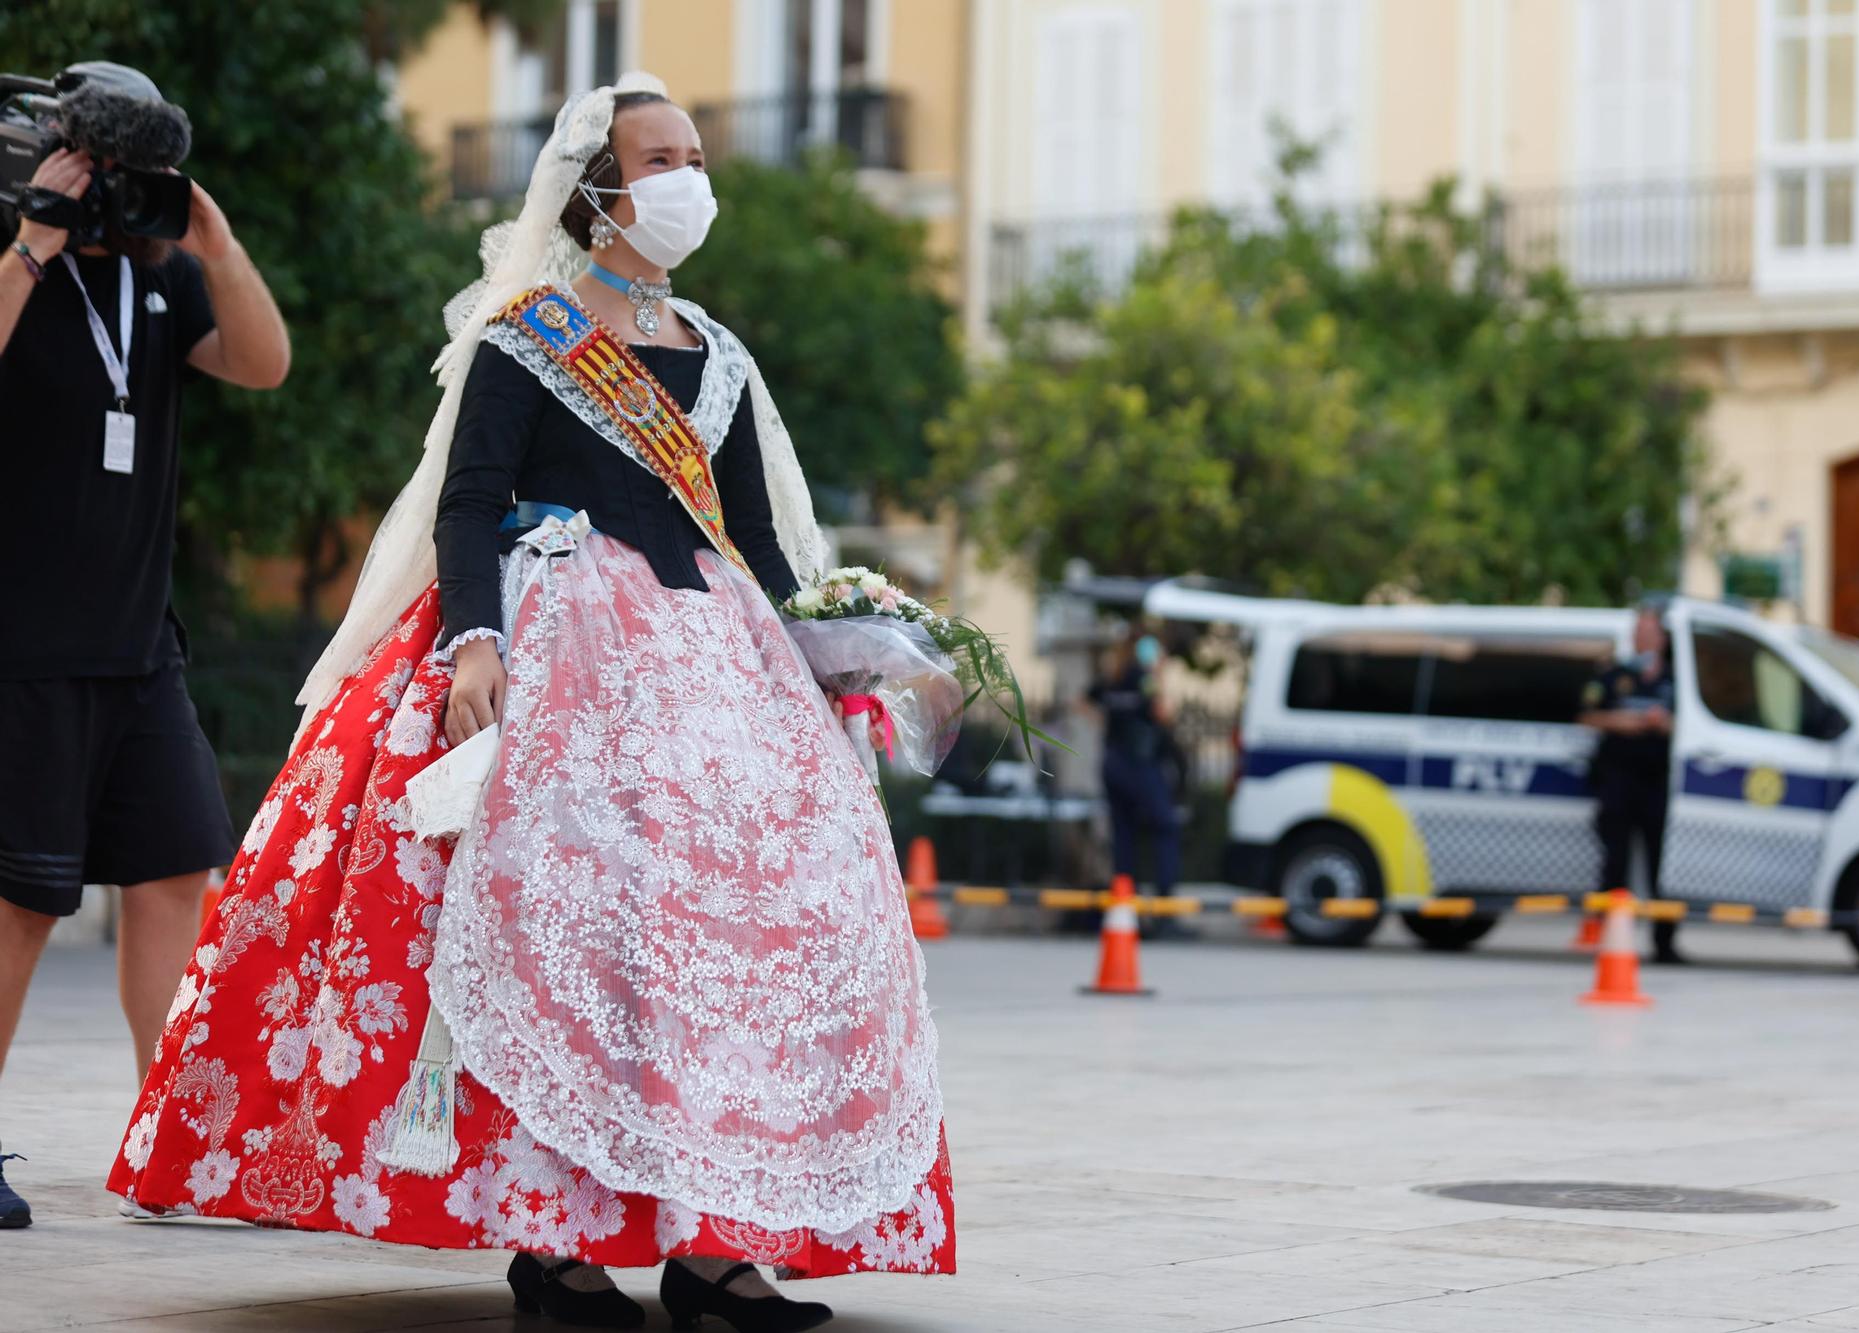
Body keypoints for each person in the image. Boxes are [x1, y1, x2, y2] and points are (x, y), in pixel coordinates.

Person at [106, 76, 951, 1330]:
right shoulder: (527, 340)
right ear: (600, 192)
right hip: (563, 641)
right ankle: (556, 1247)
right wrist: (475, 644)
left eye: (692, 153)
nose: (686, 176)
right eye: (659, 157)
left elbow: (761, 544)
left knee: (738, 941)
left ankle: (715, 1247)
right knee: (580, 928)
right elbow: (468, 502)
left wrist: (833, 653)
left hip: (717, 663)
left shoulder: (716, 354)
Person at [0, 62, 289, 1230]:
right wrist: (34, 243)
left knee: (177, 874)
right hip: (22, 640)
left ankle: (171, 1138)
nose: (119, 196)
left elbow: (264, 364)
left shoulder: (165, 282)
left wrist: (213, 239)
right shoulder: (23, 257)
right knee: (20, 902)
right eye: (104, 170)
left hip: (137, 640)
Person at [1578, 603, 1682, 964]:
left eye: (1651, 633)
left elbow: (1692, 729)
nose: (1645, 639)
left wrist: (1663, 724)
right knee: (1615, 863)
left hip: (1658, 785)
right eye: (1640, 633)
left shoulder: (1676, 680)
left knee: (1663, 867)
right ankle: (1608, 939)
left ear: (1663, 639)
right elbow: (1588, 714)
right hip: (1619, 781)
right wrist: (1628, 721)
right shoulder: (1615, 675)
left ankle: (1665, 943)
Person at [1088, 627, 1183, 919]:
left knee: (1123, 833)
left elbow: (1084, 701)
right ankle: (1165, 908)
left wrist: (1108, 722)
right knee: (1166, 827)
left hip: (1113, 762)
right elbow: (1164, 712)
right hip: (1140, 763)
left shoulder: (1113, 677)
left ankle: (1123, 906)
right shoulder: (1144, 679)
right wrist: (1160, 675)